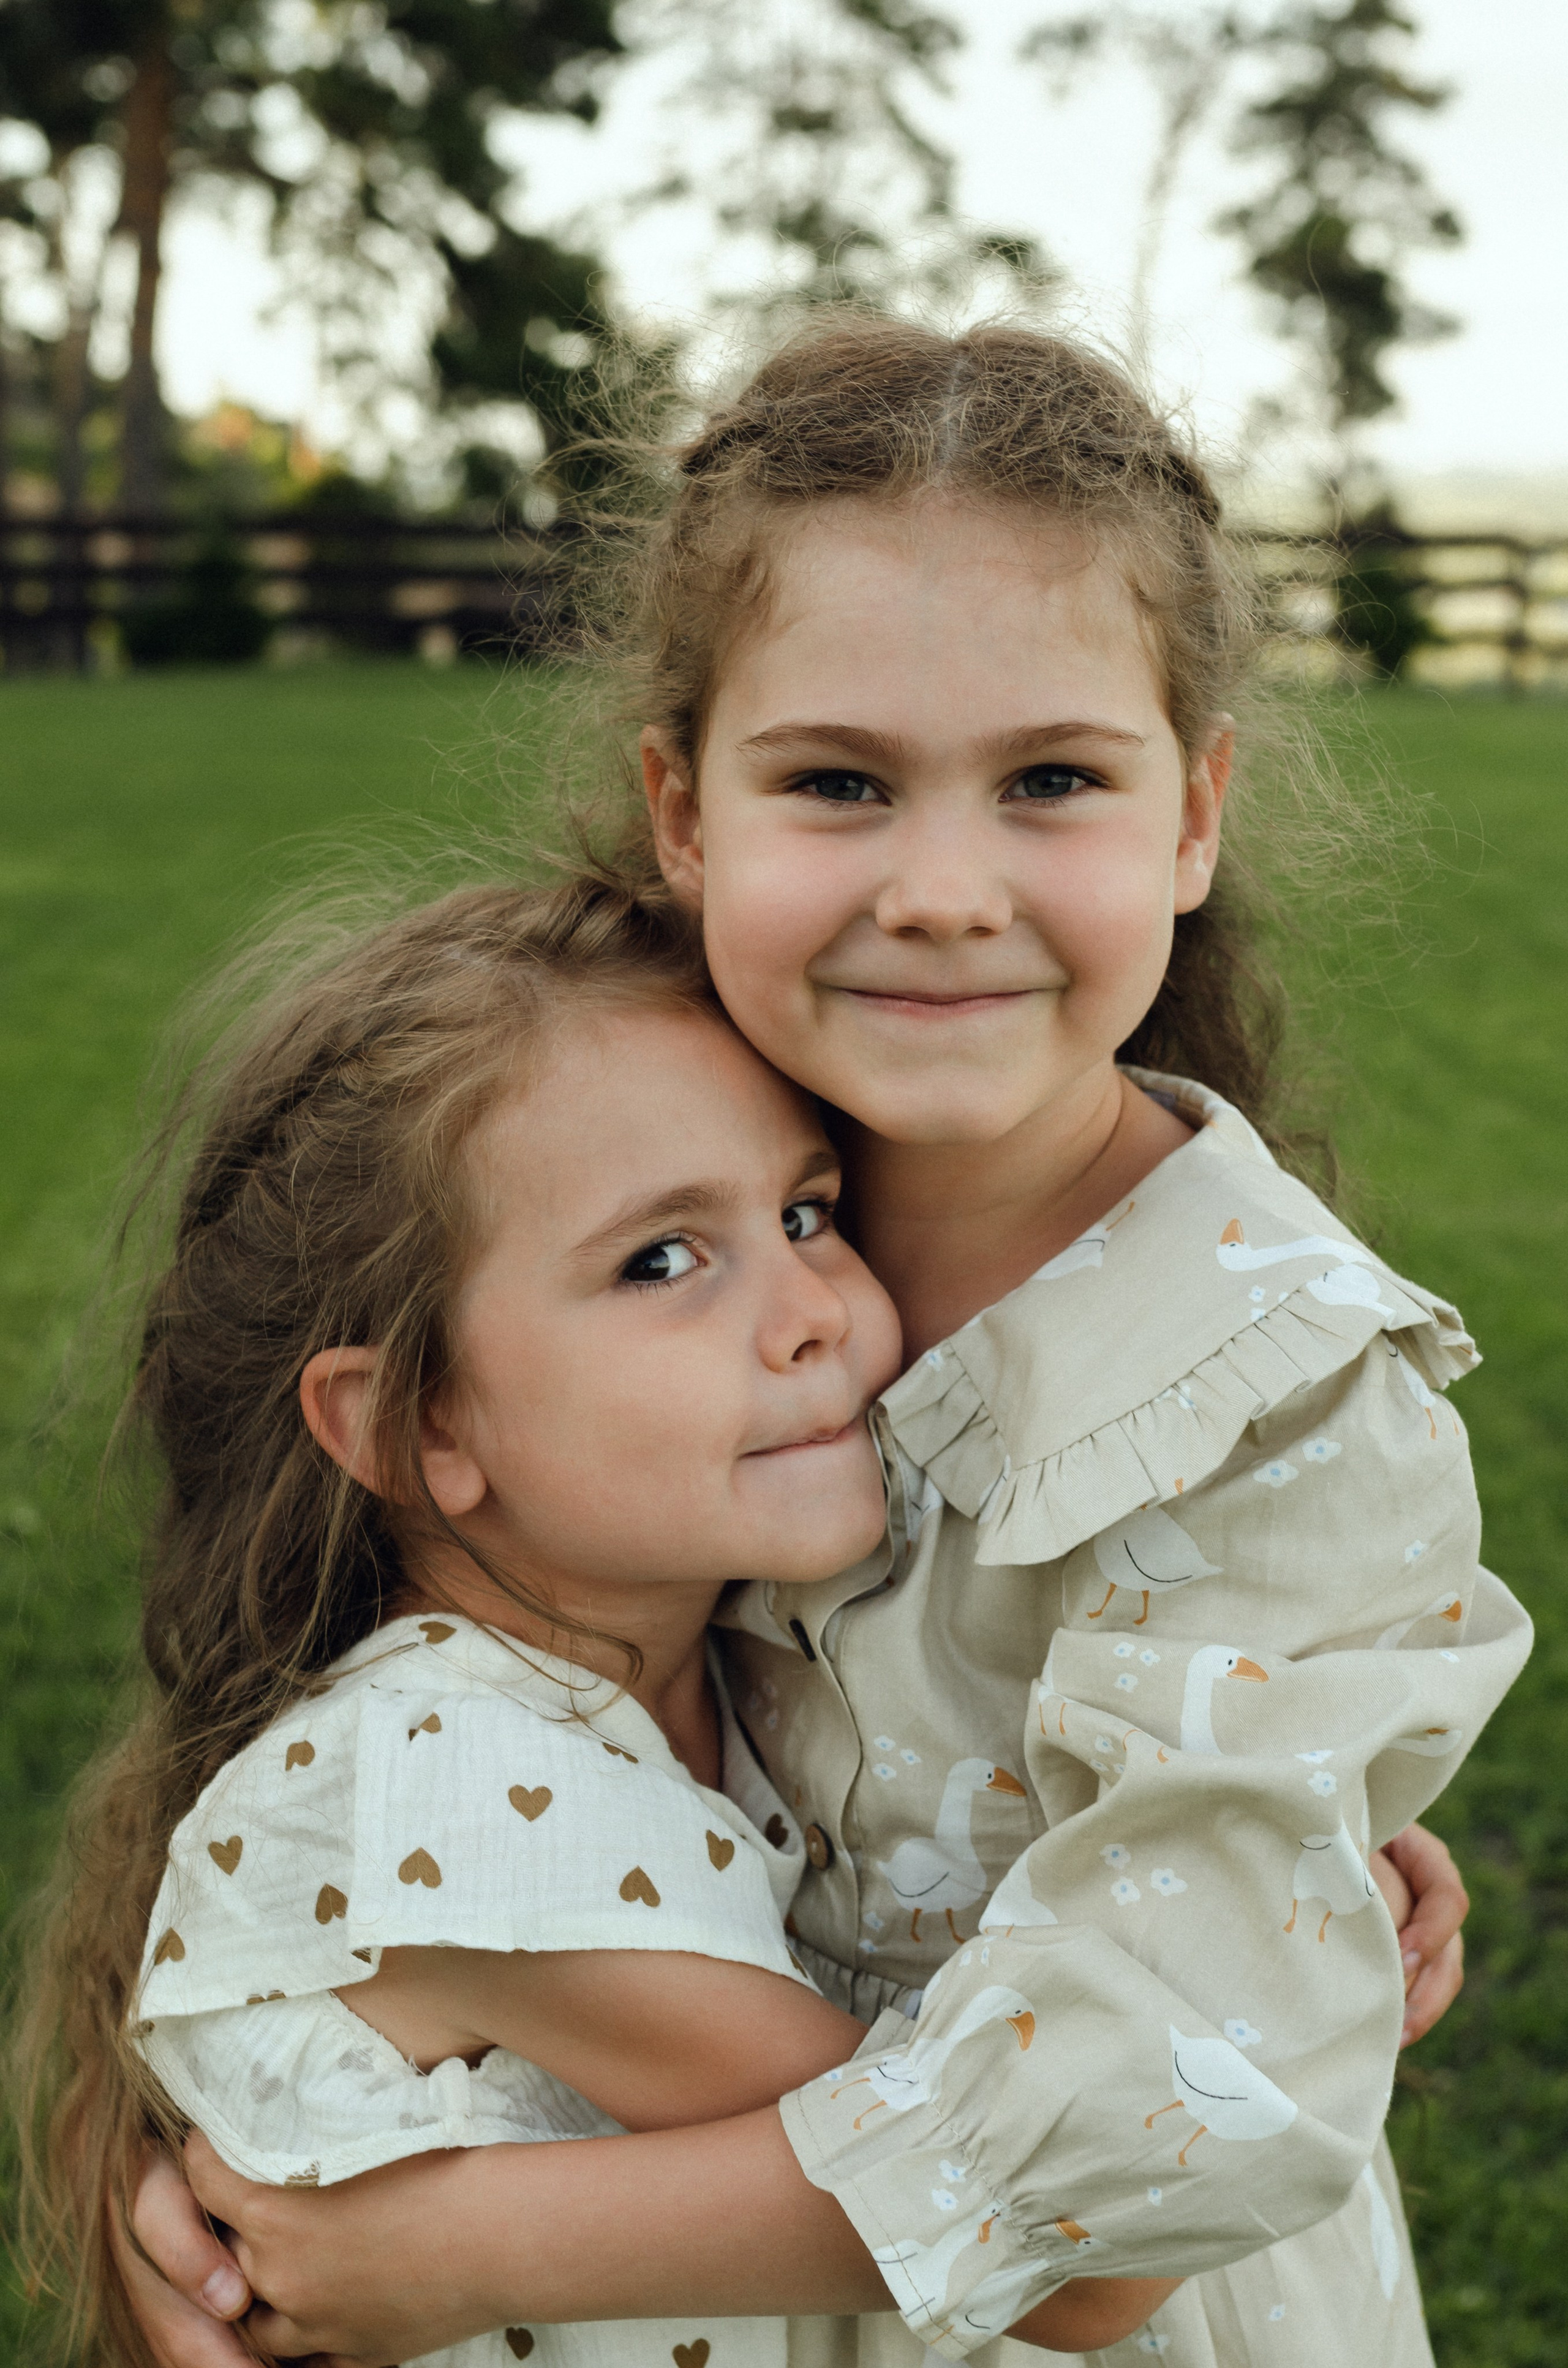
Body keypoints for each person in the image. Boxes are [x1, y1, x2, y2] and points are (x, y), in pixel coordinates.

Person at [119, 320, 1520, 2368]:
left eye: (1052, 779)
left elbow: (1134, 2156)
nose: (943, 892)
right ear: (685, 812)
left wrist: (463, 2240)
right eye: (840, 782)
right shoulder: (635, 1176)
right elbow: (446, 1765)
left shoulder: (1283, 1387)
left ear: (1196, 812)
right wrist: (288, 2134)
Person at [18, 871, 1175, 2367]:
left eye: (806, 1210)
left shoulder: (744, 1639)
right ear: (415, 1422)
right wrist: (1272, 1965)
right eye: (661, 1260)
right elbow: (1059, 2234)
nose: (813, 1305)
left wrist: (1265, 1828)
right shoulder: (456, 1785)